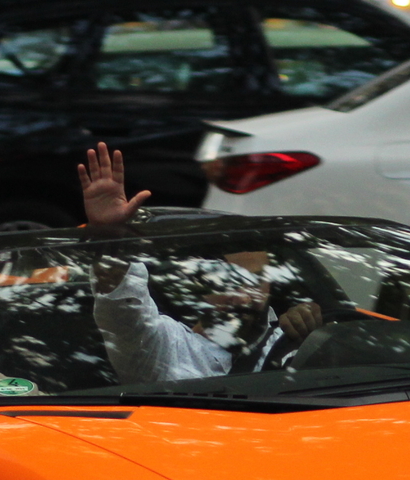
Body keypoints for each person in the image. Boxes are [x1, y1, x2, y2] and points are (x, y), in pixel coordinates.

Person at [75, 143, 323, 383]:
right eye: (231, 280)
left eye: (256, 280)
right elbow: (122, 309)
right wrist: (108, 237)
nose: (245, 295)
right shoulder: (164, 347)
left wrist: (318, 333)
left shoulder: (298, 339)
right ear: (201, 284)